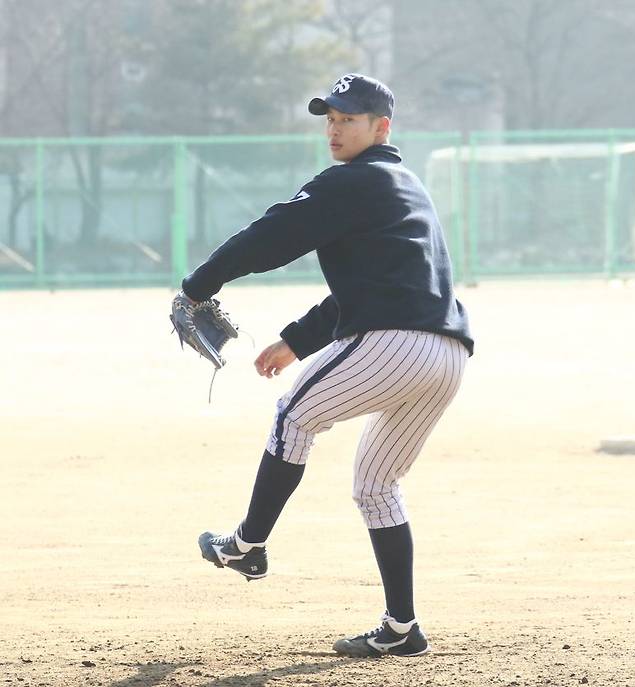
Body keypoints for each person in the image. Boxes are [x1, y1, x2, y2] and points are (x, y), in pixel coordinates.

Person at [181, 73, 474, 658]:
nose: (335, 130)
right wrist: (296, 340)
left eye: (348, 119)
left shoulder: (353, 181)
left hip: (396, 345)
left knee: (294, 415)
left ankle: (247, 545)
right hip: (446, 355)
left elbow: (274, 235)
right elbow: (370, 287)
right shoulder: (404, 186)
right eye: (330, 119)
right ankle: (400, 628)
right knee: (377, 485)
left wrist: (198, 286)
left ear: (381, 127)